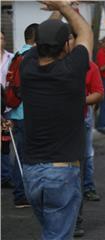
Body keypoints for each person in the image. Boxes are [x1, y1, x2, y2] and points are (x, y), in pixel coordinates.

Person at [20, 1, 93, 239]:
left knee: (51, 231)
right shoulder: (72, 71)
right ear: (65, 46)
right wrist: (63, 7)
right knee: (57, 235)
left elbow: (48, 35)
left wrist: (58, 9)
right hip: (61, 172)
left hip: (31, 173)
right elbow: (85, 32)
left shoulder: (27, 67)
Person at [6, 23, 39, 208]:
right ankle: (21, 195)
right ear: (36, 39)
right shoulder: (31, 57)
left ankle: (21, 193)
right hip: (27, 113)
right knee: (26, 156)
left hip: (17, 111)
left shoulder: (18, 55)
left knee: (19, 153)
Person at [0, 30, 14, 189]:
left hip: (8, 104)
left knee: (5, 141)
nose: (1, 41)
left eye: (2, 38)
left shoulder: (11, 58)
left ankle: (5, 176)